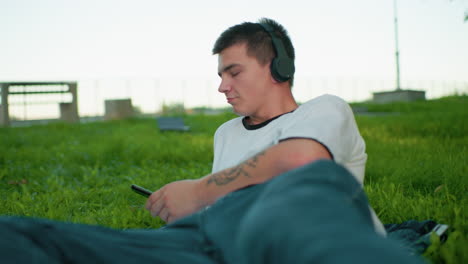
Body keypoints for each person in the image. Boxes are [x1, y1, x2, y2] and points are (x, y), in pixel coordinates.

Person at [0, 18, 424, 264]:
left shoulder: (325, 110)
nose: (222, 86)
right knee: (21, 235)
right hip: (209, 239)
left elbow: (301, 161)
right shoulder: (225, 133)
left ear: (278, 66)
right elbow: (224, 201)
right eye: (219, 75)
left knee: (307, 185)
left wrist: (200, 190)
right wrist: (191, 204)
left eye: (233, 72)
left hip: (298, 220)